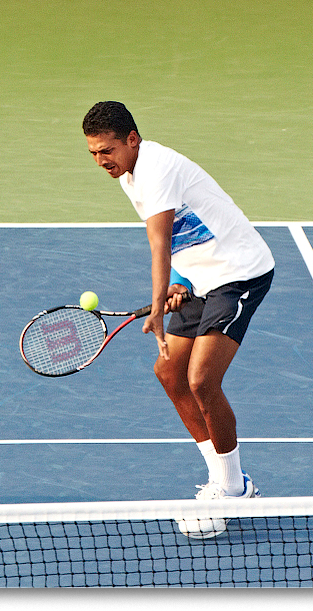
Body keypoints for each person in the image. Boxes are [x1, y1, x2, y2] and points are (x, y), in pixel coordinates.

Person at [82, 101, 275, 517]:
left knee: (202, 379)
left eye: (107, 151)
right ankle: (223, 481)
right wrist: (180, 283)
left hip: (239, 272)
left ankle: (236, 492)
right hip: (200, 279)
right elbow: (183, 238)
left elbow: (159, 242)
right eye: (94, 154)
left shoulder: (157, 169)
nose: (101, 161)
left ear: (131, 140)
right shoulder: (129, 175)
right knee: (170, 373)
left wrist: (156, 308)